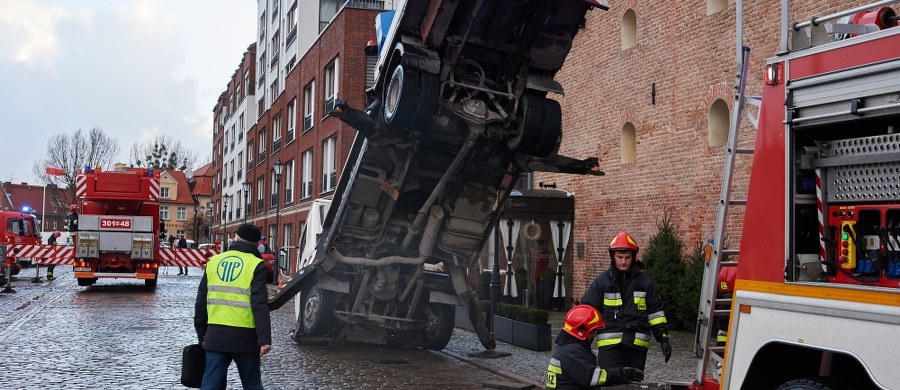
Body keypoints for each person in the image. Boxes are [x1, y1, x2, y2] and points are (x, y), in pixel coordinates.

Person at [194, 223, 272, 390]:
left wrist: (202, 334)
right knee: (252, 384)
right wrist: (264, 338)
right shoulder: (256, 264)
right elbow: (259, 304)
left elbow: (201, 301)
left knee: (210, 385)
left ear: (235, 238)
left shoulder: (214, 261)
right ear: (256, 244)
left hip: (215, 336)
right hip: (245, 338)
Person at [580, 232, 671, 372]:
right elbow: (588, 310)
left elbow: (655, 313)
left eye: (627, 257)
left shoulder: (645, 283)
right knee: (610, 386)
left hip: (636, 346)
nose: (623, 261)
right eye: (619, 257)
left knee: (634, 385)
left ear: (634, 257)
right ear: (612, 257)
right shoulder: (602, 282)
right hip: (609, 347)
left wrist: (663, 339)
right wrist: (583, 337)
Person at [546, 304, 644, 389]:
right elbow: (593, 377)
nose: (594, 335)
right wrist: (625, 374)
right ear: (581, 331)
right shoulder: (572, 352)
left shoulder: (567, 348)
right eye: (592, 331)